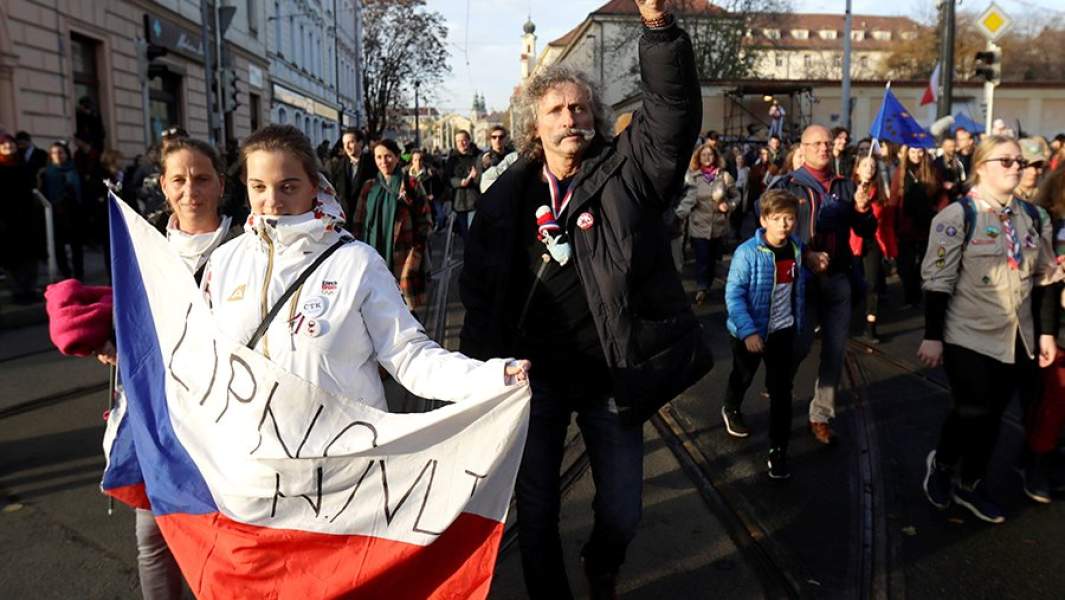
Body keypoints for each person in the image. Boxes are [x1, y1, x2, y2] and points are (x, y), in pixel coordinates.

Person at [459, 2, 710, 596]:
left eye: (579, 106)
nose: (570, 116)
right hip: (533, 381)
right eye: (556, 109)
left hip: (611, 377)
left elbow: (671, 113)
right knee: (537, 510)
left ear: (595, 117)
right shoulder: (505, 200)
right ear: (534, 126)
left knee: (623, 510)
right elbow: (481, 297)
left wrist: (658, 28)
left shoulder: (632, 173)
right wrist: (472, 381)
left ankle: (604, 560)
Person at [203, 123, 529, 418]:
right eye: (258, 187)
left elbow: (408, 355)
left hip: (345, 469)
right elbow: (205, 363)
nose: (272, 202)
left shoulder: (356, 263)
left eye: (288, 187)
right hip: (255, 472)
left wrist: (488, 378)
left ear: (313, 185)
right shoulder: (224, 262)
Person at [95, 137, 242, 599]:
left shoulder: (247, 245)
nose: (190, 189)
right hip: (156, 413)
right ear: (163, 185)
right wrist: (113, 342)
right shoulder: (144, 242)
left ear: (221, 184)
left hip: (228, 415)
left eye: (201, 178)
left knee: (224, 536)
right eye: (179, 179)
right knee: (153, 537)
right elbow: (132, 314)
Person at [919, 135, 1060, 524]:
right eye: (1007, 161)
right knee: (972, 408)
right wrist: (932, 336)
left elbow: (1047, 278)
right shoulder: (957, 217)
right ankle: (943, 464)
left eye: (1021, 162)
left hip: (1018, 335)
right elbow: (937, 281)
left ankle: (972, 482)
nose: (1018, 167)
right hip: (968, 332)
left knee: (993, 414)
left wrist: (1046, 333)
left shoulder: (1034, 218)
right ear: (981, 165)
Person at [770, 124, 876, 445]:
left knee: (834, 350)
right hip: (803, 282)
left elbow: (865, 230)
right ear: (803, 148)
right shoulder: (788, 186)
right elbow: (771, 236)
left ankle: (821, 414)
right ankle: (780, 393)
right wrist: (807, 256)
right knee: (800, 345)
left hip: (839, 279)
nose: (823, 149)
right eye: (816, 144)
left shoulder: (845, 186)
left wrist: (861, 206)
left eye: (828, 144)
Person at [722, 190, 805, 479]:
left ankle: (778, 449)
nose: (784, 224)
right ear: (764, 219)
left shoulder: (796, 248)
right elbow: (734, 295)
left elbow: (797, 289)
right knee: (743, 375)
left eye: (790, 218)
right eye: (778, 218)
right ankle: (731, 406)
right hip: (750, 333)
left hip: (782, 330)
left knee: (782, 392)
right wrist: (748, 331)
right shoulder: (747, 252)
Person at [352, 139, 430, 312]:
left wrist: (417, 253)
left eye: (388, 156)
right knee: (379, 310)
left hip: (405, 254)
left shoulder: (411, 184)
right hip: (373, 255)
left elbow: (426, 220)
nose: (383, 161)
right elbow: (358, 223)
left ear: (397, 158)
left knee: (405, 310)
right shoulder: (369, 187)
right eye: (378, 157)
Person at [676, 141, 739, 304]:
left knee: (712, 260)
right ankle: (701, 287)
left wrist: (729, 205)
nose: (707, 157)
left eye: (710, 154)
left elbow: (736, 196)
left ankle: (708, 283)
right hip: (699, 225)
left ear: (716, 157)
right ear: (698, 158)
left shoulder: (724, 176)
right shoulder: (692, 177)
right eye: (703, 155)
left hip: (718, 226)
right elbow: (684, 198)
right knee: (702, 258)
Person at [849, 154, 896, 343]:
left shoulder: (880, 190)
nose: (869, 169)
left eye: (873, 166)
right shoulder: (848, 188)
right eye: (865, 165)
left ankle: (871, 326)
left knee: (872, 283)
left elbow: (886, 222)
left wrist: (891, 247)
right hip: (852, 242)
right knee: (851, 283)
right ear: (857, 168)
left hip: (874, 242)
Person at [892, 145, 945, 307]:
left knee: (923, 262)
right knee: (905, 265)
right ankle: (911, 295)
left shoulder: (931, 171)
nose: (916, 155)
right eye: (913, 152)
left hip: (926, 224)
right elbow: (894, 198)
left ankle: (919, 294)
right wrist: (893, 224)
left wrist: (939, 213)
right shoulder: (900, 172)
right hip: (905, 225)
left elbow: (941, 196)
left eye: (919, 151)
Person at [0, 132, 45, 304]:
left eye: (11, 145)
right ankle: (18, 291)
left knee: (29, 256)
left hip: (27, 219)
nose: (8, 148)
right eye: (4, 146)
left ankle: (29, 289)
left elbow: (32, 187)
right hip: (6, 221)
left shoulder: (23, 165)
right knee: (11, 259)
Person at [40, 141, 85, 280]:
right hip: (55, 212)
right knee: (58, 246)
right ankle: (65, 273)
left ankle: (79, 275)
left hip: (74, 212)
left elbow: (82, 191)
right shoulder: (46, 173)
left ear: (66, 154)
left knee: (76, 246)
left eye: (61, 152)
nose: (58, 155)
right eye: (54, 153)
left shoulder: (75, 170)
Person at [327, 127, 376, 221]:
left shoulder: (372, 164)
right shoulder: (336, 166)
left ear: (360, 143)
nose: (347, 147)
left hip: (366, 217)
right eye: (345, 143)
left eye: (351, 142)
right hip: (343, 218)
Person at [445, 130, 481, 240]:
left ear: (469, 141)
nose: (461, 143)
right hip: (458, 202)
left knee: (472, 232)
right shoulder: (452, 159)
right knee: (464, 233)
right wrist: (459, 182)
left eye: (464, 140)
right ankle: (468, 255)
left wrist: (474, 177)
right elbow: (447, 178)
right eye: (458, 141)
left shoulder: (477, 156)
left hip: (473, 200)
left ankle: (474, 255)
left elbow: (480, 177)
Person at [406, 148, 447, 232]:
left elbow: (440, 187)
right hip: (414, 201)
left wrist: (433, 195)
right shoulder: (406, 174)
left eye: (420, 160)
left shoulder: (430, 172)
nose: (418, 162)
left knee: (441, 216)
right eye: (415, 160)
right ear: (412, 161)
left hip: (430, 200)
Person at [1014, 137, 1050, 202]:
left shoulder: (1047, 199)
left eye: (1038, 166)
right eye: (1027, 165)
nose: (1034, 172)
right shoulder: (1003, 197)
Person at [934, 136, 967, 202]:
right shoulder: (936, 163)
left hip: (958, 198)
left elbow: (964, 179)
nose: (952, 149)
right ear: (943, 147)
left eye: (954, 146)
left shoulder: (960, 161)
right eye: (949, 146)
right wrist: (943, 184)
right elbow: (933, 182)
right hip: (941, 199)